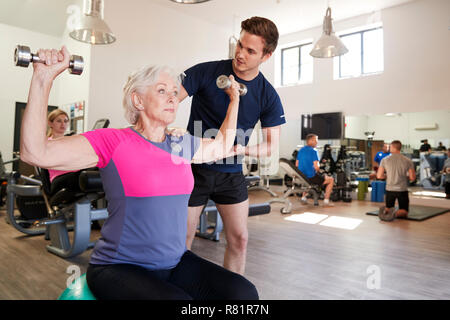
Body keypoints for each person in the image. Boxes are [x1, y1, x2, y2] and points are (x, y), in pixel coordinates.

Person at [20, 46, 258, 300]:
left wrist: (235, 100)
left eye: (174, 92)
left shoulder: (181, 143)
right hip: (118, 266)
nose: (172, 98)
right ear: (138, 100)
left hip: (175, 262)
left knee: (243, 292)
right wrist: (42, 79)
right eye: (162, 91)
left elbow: (222, 145)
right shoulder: (113, 141)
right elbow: (35, 153)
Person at [178, 16, 286, 275]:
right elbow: (168, 102)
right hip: (195, 171)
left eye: (250, 51)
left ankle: (233, 297)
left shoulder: (267, 95)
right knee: (181, 242)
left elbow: (270, 145)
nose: (240, 54)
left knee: (240, 240)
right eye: (240, 45)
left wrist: (243, 150)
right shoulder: (205, 72)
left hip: (231, 174)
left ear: (266, 56)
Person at [377, 140, 416, 221]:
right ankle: (395, 213)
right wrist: (405, 176)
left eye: (390, 147)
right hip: (402, 190)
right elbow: (412, 178)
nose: (389, 148)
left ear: (393, 147)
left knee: (389, 207)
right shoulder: (408, 160)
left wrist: (388, 176)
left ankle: (387, 212)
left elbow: (379, 176)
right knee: (404, 212)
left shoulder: (384, 160)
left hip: (389, 189)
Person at [46, 109, 81, 193]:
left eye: (65, 121)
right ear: (50, 123)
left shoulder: (69, 141)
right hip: (59, 178)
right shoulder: (48, 143)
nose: (63, 124)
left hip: (72, 175)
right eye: (59, 121)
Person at [295, 134, 334, 206]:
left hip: (302, 177)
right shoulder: (314, 151)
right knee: (331, 180)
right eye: (316, 140)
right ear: (311, 140)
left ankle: (303, 198)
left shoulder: (301, 150)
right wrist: (319, 170)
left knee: (308, 181)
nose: (317, 142)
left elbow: (297, 165)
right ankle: (326, 201)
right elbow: (316, 167)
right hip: (311, 178)